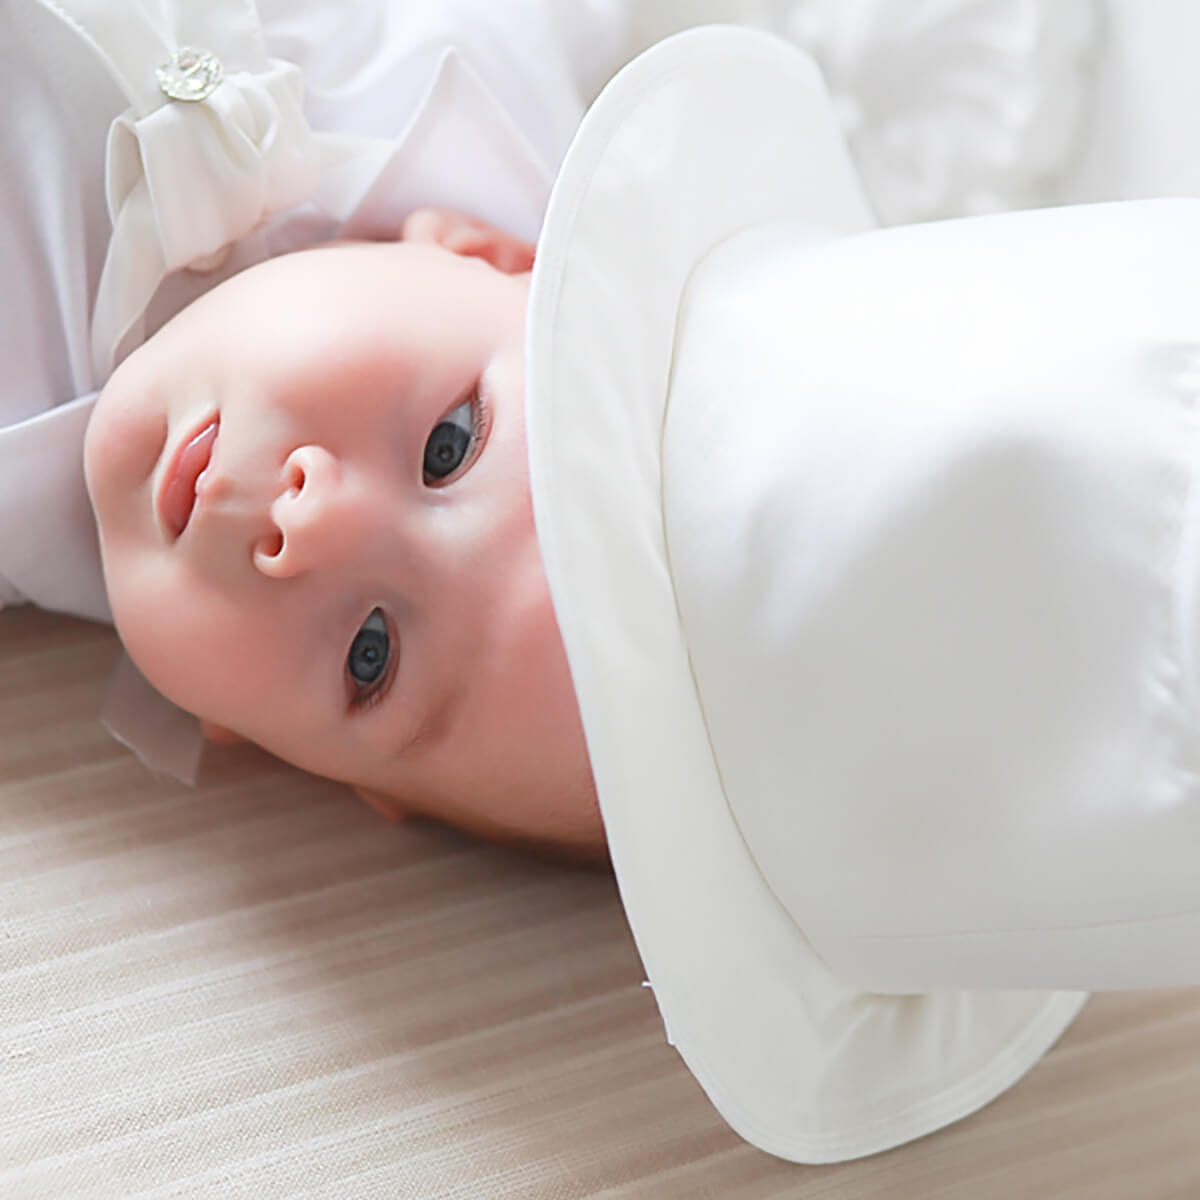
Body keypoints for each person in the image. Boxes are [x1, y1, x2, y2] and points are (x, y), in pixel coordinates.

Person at [80, 23, 1200, 1166]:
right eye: (450, 442)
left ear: (283, 755)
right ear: (491, 252)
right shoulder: (472, 65)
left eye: (372, 655)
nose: (305, 523)